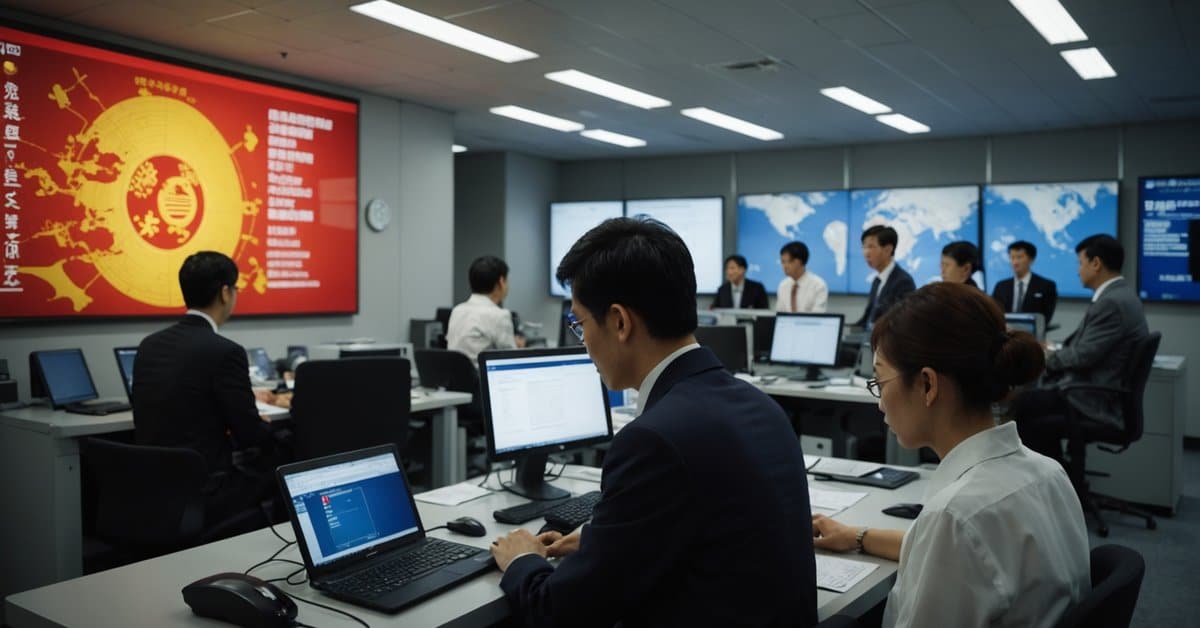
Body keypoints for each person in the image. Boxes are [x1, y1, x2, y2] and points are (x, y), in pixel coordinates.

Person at [491, 217, 817, 628]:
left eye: (580, 324)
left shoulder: (653, 440)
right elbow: (706, 530)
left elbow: (560, 612)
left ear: (620, 322)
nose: (583, 341)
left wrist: (521, 559)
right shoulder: (759, 405)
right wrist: (603, 541)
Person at [811, 282, 1090, 628]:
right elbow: (950, 548)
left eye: (880, 381)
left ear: (928, 385)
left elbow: (953, 537)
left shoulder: (955, 516)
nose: (880, 402)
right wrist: (858, 536)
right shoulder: (1048, 473)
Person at [132, 251, 285, 524]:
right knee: (283, 463)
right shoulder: (226, 352)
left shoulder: (149, 345)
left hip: (151, 486)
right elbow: (250, 435)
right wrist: (273, 429)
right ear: (225, 293)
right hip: (207, 488)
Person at [1009, 235, 1148, 464]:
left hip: (1090, 397)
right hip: (1099, 389)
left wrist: (1045, 357)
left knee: (1022, 405)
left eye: (1080, 263)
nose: (1077, 271)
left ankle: (1053, 482)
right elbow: (1090, 346)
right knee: (1030, 402)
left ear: (1096, 263)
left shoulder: (1111, 302)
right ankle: (1056, 478)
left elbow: (1083, 356)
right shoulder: (1121, 295)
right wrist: (1055, 349)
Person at [446, 255, 525, 363]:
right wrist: (519, 348)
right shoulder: (499, 315)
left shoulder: (457, 311)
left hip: (456, 378)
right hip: (482, 378)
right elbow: (511, 360)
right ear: (501, 282)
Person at [854, 225, 915, 328]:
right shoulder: (877, 281)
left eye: (871, 247)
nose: (866, 253)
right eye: (864, 247)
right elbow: (867, 319)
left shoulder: (903, 282)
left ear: (888, 250)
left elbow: (899, 322)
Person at [991, 240, 1058, 325]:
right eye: (1012, 257)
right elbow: (994, 314)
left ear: (1031, 259)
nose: (1015, 262)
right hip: (1004, 333)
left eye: (1019, 257)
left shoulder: (1046, 286)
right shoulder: (1001, 286)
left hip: (1032, 335)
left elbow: (1045, 318)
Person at [776, 241, 828, 313]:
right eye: (782, 262)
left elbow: (817, 317)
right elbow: (780, 315)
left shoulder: (818, 285)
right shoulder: (783, 285)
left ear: (797, 262)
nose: (783, 266)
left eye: (785, 262)